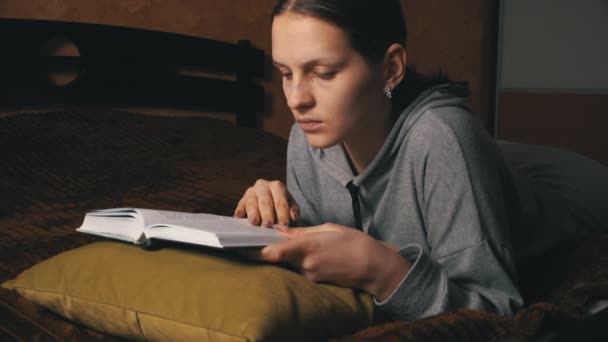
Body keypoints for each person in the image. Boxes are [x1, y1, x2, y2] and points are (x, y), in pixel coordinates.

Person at [233, 0, 608, 321]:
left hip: (576, 189)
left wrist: (381, 269)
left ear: (391, 68)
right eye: (285, 73)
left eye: (324, 73)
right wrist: (273, 218)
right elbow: (316, 260)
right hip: (474, 155)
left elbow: (497, 310)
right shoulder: (307, 136)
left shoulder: (443, 138)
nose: (296, 99)